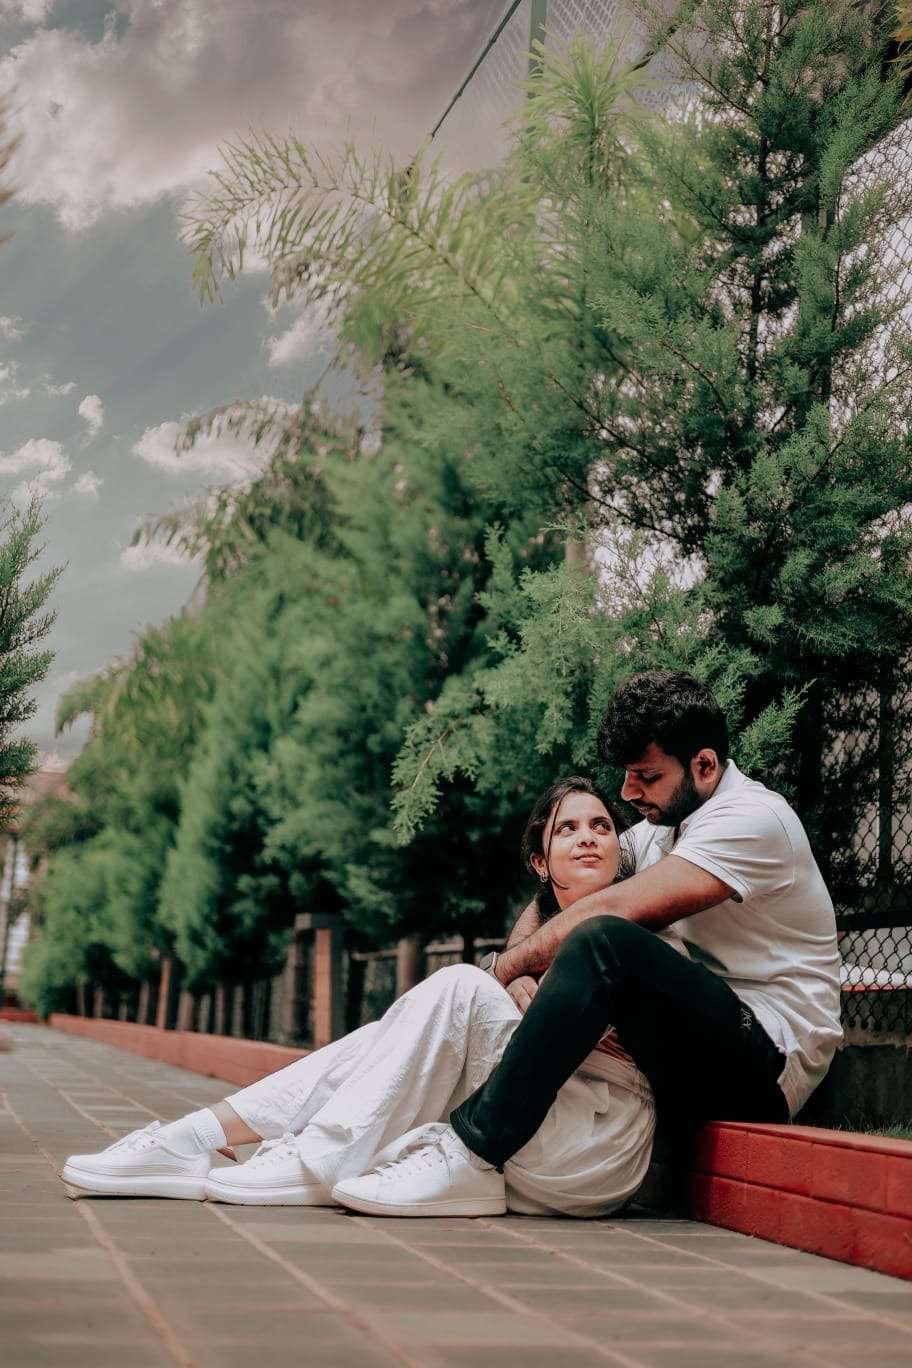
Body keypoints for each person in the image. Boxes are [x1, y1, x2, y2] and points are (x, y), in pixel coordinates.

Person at [341, 669, 843, 1217]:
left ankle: (472, 1154)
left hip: (767, 1064)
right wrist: (521, 969)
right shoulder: (662, 829)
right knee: (589, 938)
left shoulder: (752, 818)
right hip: (700, 1042)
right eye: (627, 775)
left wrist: (498, 970)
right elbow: (552, 894)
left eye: (646, 776)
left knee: (605, 940)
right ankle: (343, 1140)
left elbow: (607, 912)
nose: (628, 793)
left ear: (704, 765)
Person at [61, 777, 656, 1218]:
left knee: (461, 985)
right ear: (540, 863)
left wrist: (516, 984)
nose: (587, 838)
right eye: (568, 829)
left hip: (589, 1146)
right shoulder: (538, 940)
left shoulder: (641, 932)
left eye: (601, 826)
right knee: (385, 1036)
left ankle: (315, 1156)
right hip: (523, 1136)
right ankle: (194, 1138)